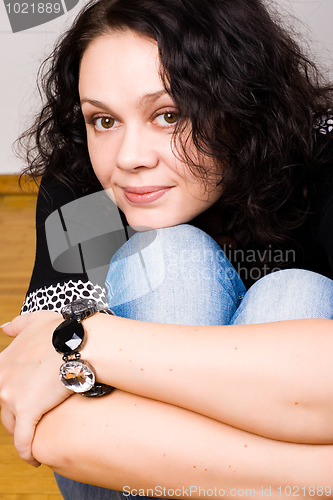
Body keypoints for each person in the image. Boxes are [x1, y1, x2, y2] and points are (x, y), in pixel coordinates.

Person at [0, 0, 333, 498]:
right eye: (104, 121)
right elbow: (59, 432)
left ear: (243, 103)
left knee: (293, 293)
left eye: (168, 114)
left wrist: (91, 342)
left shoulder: (322, 161)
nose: (130, 158)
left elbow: (58, 365)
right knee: (170, 257)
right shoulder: (83, 180)